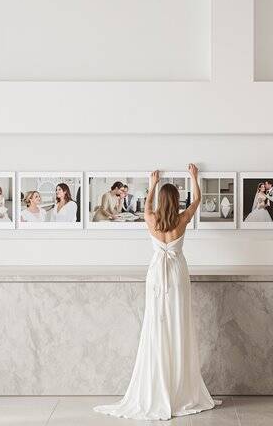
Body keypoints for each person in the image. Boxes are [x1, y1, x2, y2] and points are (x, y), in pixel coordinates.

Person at [94, 164, 220, 420]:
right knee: (177, 323)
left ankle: (156, 384)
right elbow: (197, 199)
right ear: (175, 201)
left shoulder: (151, 218)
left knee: (156, 324)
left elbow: (147, 206)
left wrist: (152, 185)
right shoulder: (182, 219)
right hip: (176, 274)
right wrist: (194, 177)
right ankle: (178, 387)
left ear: (161, 199)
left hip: (156, 275)